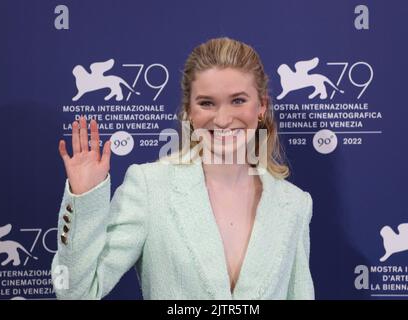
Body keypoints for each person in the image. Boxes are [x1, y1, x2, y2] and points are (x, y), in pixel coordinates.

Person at [51, 37, 314, 300]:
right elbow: (76, 293)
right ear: (189, 110)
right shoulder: (150, 187)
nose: (222, 120)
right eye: (207, 103)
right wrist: (84, 199)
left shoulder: (294, 203)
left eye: (238, 101)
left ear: (261, 107)